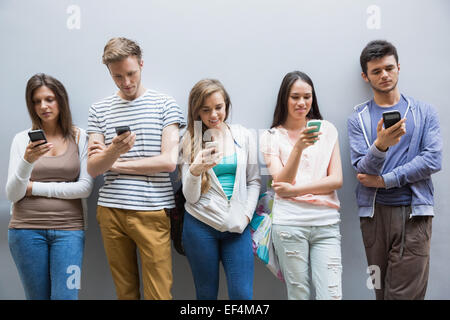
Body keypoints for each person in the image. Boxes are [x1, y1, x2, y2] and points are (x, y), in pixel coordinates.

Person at [86, 37, 185, 300]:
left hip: (153, 210)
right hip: (111, 212)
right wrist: (114, 151)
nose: (126, 82)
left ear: (141, 64)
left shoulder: (165, 104)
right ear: (109, 72)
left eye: (131, 73)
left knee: (159, 294)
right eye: (117, 76)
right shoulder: (99, 110)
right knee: (125, 293)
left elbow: (168, 162)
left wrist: (115, 162)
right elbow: (94, 168)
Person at [347, 40, 442, 300]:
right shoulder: (358, 120)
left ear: (398, 67)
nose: (384, 75)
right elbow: (362, 171)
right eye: (376, 71)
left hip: (415, 215)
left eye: (389, 68)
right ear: (365, 76)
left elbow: (433, 159)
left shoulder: (424, 112)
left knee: (403, 296)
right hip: (373, 218)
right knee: (382, 292)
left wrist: (387, 180)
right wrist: (381, 145)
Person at [5, 73, 94, 300]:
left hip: (70, 232)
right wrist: (27, 161)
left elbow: (84, 188)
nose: (43, 106)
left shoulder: (79, 136)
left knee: (67, 297)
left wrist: (33, 187)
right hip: (25, 232)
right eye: (36, 101)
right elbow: (13, 193)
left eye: (49, 99)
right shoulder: (22, 140)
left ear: (61, 101)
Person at [260, 71, 343, 300]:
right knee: (298, 294)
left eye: (307, 97)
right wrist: (298, 148)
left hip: (326, 224)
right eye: (295, 97)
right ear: (284, 99)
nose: (302, 103)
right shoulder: (271, 136)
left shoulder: (327, 130)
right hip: (289, 224)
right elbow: (281, 181)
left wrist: (295, 191)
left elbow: (336, 180)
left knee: (332, 294)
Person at [180, 79, 260, 299]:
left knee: (242, 295)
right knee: (206, 295)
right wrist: (195, 170)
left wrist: (245, 216)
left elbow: (253, 181)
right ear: (197, 111)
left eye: (218, 107)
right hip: (200, 226)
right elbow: (191, 197)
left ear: (226, 105)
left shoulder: (243, 136)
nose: (213, 115)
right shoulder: (189, 139)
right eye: (205, 110)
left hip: (236, 226)